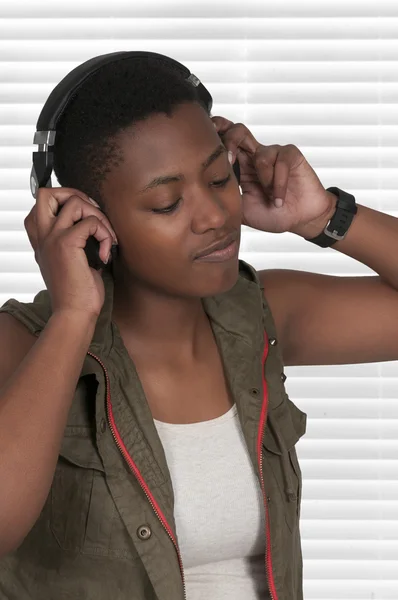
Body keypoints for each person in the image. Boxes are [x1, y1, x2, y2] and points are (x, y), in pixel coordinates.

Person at [0, 54, 397, 600]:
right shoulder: (22, 344)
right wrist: (73, 317)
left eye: (218, 177)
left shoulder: (260, 314)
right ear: (87, 216)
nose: (215, 215)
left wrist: (323, 214)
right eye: (167, 203)